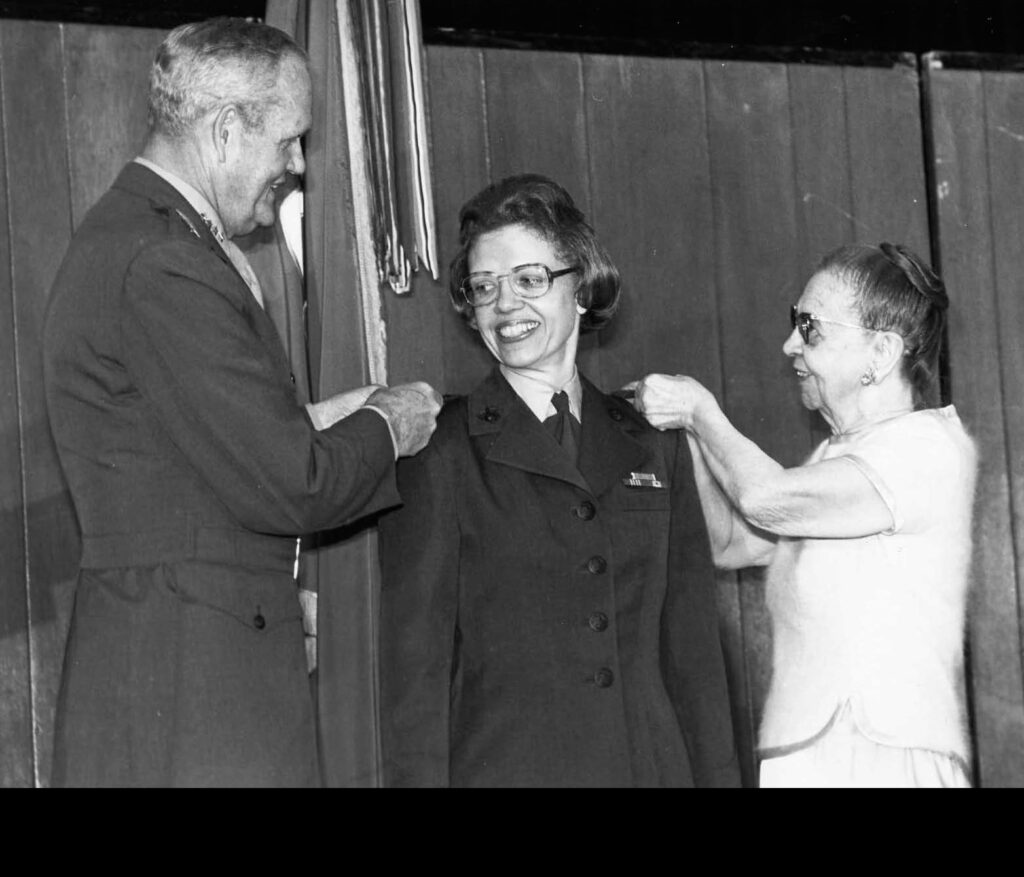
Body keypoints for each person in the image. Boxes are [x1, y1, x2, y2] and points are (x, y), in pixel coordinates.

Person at [42, 18, 441, 787]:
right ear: (227, 130)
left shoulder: (138, 237)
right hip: (195, 684)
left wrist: (321, 424)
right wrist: (387, 425)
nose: (296, 165)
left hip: (176, 665)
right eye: (290, 140)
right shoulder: (166, 260)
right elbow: (293, 483)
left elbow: (187, 458)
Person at [376, 174, 740, 787]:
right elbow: (416, 678)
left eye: (529, 280)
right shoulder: (438, 449)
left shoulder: (655, 443)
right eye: (484, 287)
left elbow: (694, 659)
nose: (505, 305)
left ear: (581, 289)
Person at [631, 242, 977, 788]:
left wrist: (702, 411)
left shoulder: (926, 449)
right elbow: (728, 544)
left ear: (880, 353)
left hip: (883, 755)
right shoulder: (837, 458)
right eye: (796, 323)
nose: (790, 344)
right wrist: (690, 436)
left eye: (811, 328)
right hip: (813, 752)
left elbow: (765, 497)